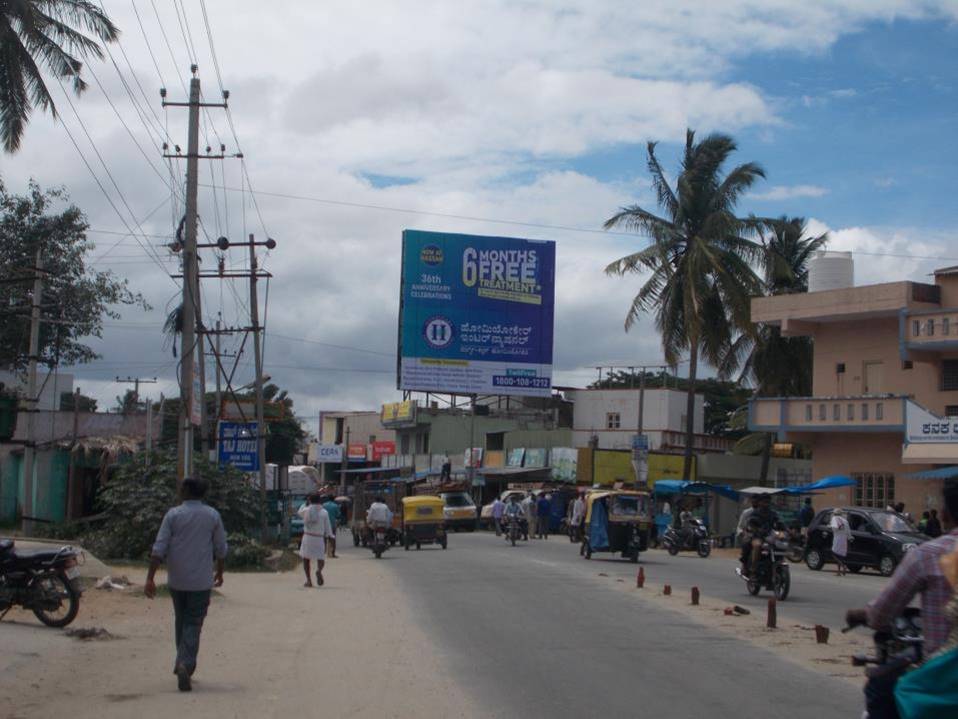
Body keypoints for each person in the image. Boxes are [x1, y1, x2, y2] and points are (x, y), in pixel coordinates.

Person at [846, 479, 958, 718]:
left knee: (880, 688)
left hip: (944, 673)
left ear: (945, 514)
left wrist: (868, 614)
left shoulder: (930, 554)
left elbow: (881, 612)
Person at [145, 477, 228, 692]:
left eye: (182, 488)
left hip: (177, 579)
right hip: (201, 580)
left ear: (188, 491)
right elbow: (220, 547)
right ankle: (185, 663)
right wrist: (220, 570)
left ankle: (182, 660)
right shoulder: (212, 515)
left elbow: (159, 548)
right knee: (193, 622)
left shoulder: (173, 515)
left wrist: (150, 578)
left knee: (181, 621)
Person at [739, 495, 779, 577]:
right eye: (764, 502)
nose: (766, 504)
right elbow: (750, 523)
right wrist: (755, 529)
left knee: (779, 545)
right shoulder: (755, 513)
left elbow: (779, 523)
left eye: (768, 502)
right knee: (757, 545)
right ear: (760, 502)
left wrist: (786, 530)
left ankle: (777, 564)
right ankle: (753, 568)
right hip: (757, 536)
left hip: (770, 537)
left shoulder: (773, 513)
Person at [298, 494, 334, 587]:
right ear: (320, 501)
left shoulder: (306, 510)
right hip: (319, 538)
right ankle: (319, 570)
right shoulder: (324, 512)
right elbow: (328, 526)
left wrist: (306, 504)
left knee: (306, 559)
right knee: (320, 557)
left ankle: (309, 580)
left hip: (308, 537)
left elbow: (299, 512)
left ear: (309, 500)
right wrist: (330, 536)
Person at [829, 508, 852, 576]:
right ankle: (839, 571)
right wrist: (849, 537)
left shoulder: (834, 519)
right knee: (840, 555)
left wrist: (830, 527)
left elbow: (835, 528)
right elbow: (848, 531)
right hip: (844, 539)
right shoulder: (845, 521)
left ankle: (843, 566)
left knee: (833, 553)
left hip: (837, 538)